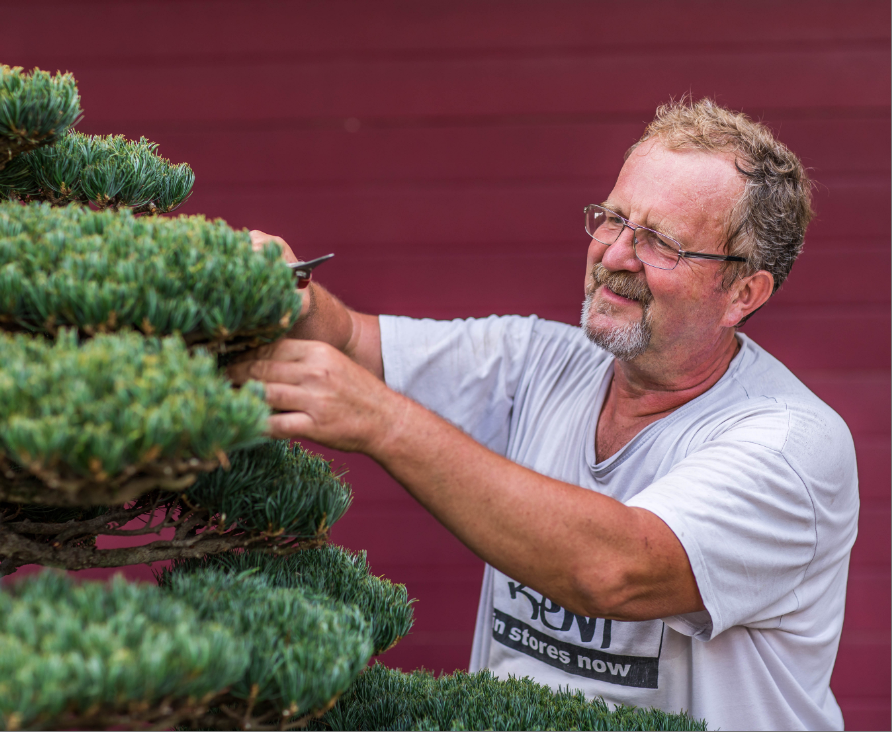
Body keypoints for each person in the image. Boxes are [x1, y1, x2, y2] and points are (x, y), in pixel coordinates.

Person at [228, 99, 859, 731]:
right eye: (613, 219)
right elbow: (350, 344)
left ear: (742, 294)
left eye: (661, 243)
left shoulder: (790, 446)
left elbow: (615, 569)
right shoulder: (541, 363)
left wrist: (384, 422)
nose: (614, 255)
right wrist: (288, 296)